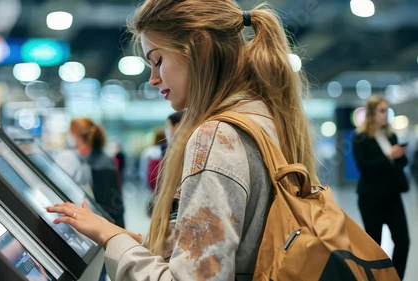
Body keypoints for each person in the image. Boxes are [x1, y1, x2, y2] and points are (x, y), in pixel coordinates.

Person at [47, 1, 320, 279]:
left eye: (158, 60)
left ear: (199, 47)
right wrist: (118, 234)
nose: (153, 79)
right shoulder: (265, 116)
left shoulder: (216, 136)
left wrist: (110, 238)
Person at [352, 96, 409, 280]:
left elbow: (401, 164)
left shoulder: (391, 135)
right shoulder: (360, 138)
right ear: (371, 113)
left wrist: (399, 156)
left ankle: (395, 277)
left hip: (393, 196)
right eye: (382, 111)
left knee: (403, 242)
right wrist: (389, 157)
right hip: (371, 198)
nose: (386, 115)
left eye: (387, 111)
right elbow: (364, 166)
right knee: (373, 245)